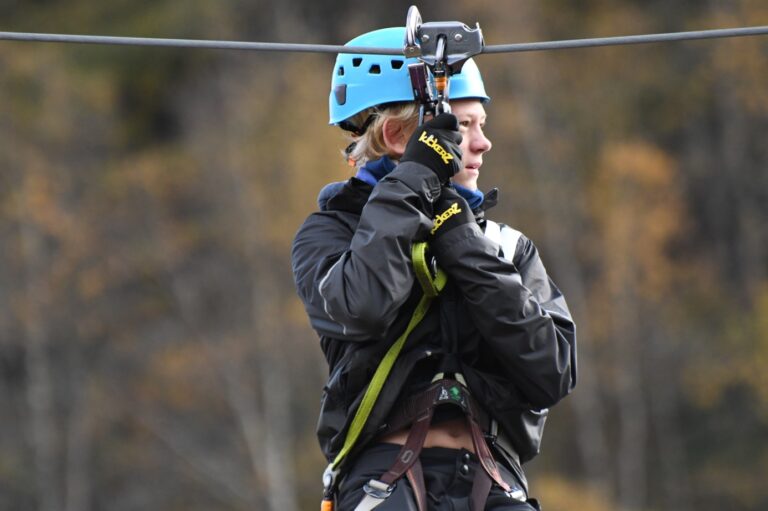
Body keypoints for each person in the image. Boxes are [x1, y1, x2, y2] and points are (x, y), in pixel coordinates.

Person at [291, 26, 577, 511]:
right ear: (399, 135)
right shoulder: (330, 235)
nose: (484, 143)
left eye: (481, 124)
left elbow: (551, 372)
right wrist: (416, 183)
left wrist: (460, 238)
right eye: (465, 127)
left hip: (494, 478)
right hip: (383, 481)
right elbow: (361, 306)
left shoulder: (505, 247)